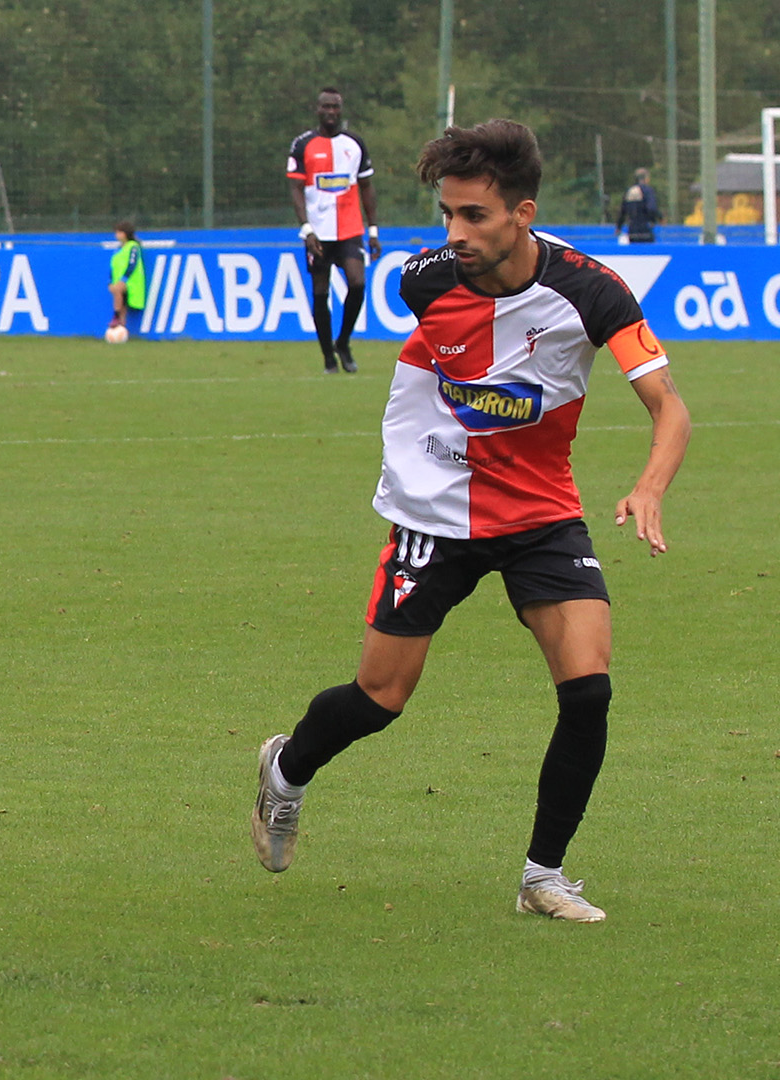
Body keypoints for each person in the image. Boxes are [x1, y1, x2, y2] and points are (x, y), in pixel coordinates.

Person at [251, 119, 691, 923]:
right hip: (437, 509)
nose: (454, 233)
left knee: (588, 690)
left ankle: (542, 877)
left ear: (522, 213)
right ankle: (287, 769)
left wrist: (650, 485)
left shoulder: (593, 292)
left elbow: (670, 410)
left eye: (474, 216)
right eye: (447, 213)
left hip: (542, 513)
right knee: (381, 697)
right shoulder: (422, 282)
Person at [287, 87, 380, 374]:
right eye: (326, 107)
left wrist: (373, 228)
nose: (331, 112)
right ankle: (328, 354)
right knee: (320, 293)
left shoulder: (354, 144)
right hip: (317, 233)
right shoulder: (303, 144)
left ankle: (343, 342)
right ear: (318, 109)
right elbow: (295, 187)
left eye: (335, 107)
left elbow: (366, 187)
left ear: (341, 110)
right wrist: (306, 228)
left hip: (350, 228)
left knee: (357, 283)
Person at [108, 221, 146, 333]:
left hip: (132, 282)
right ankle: (122, 329)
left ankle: (116, 316)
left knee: (118, 290)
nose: (117, 234)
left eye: (119, 232)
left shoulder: (133, 246)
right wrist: (110, 281)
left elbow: (132, 264)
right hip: (118, 280)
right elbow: (112, 266)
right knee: (123, 304)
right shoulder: (118, 249)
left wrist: (123, 280)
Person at [614, 168, 660, 244]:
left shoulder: (629, 191)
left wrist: (619, 227)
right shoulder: (648, 190)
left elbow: (622, 211)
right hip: (645, 229)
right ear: (646, 178)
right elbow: (652, 208)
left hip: (632, 230)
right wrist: (654, 220)